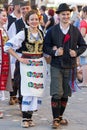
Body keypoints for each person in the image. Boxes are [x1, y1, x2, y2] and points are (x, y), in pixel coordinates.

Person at [43, 3, 87, 129]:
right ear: (58, 16)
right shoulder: (52, 30)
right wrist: (54, 52)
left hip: (70, 65)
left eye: (68, 14)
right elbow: (45, 46)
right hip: (56, 65)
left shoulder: (75, 30)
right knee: (57, 92)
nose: (66, 16)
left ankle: (60, 117)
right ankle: (55, 119)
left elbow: (83, 45)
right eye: (63, 14)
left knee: (66, 93)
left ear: (70, 15)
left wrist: (76, 52)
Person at [4, 10, 47, 128]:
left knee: (35, 92)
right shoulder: (24, 33)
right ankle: (24, 118)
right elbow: (8, 46)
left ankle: (30, 117)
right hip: (27, 64)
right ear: (27, 21)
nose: (34, 21)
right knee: (27, 91)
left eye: (36, 19)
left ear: (39, 20)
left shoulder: (41, 32)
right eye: (31, 19)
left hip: (39, 65)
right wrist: (19, 58)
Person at [7, 0, 31, 106]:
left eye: (27, 8)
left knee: (30, 82)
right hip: (20, 56)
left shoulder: (35, 22)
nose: (25, 10)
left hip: (33, 58)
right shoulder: (16, 24)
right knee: (19, 80)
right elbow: (10, 41)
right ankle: (21, 103)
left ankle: (29, 103)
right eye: (23, 9)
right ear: (20, 10)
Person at [0, 8, 12, 118]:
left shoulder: (3, 29)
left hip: (3, 60)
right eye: (3, 16)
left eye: (6, 16)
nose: (5, 18)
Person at [79, 6, 87, 87]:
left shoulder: (84, 22)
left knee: (84, 64)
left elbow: (83, 34)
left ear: (85, 12)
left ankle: (84, 82)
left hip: (85, 45)